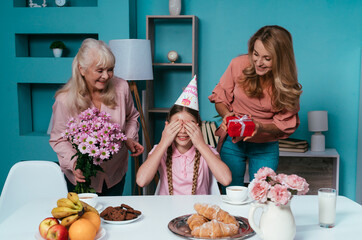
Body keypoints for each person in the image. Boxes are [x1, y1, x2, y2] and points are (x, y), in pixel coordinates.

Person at [208, 25, 302, 192]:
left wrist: (259, 127)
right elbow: (220, 98)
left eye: (267, 58)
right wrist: (227, 115)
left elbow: (285, 124)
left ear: (280, 59)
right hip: (233, 141)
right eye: (255, 54)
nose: (259, 62)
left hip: (265, 145)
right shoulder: (238, 64)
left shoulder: (287, 85)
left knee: (261, 194)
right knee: (230, 191)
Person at [49, 38, 144, 196]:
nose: (106, 76)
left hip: (115, 174)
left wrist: (128, 138)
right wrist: (74, 164)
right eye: (100, 71)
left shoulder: (122, 87)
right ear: (82, 69)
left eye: (110, 69)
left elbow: (132, 117)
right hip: (82, 178)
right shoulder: (64, 100)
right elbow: (58, 139)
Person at [136, 77, 232, 195]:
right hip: (167, 210)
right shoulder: (161, 150)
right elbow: (141, 181)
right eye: (176, 125)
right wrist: (163, 142)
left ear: (197, 126)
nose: (182, 131)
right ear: (167, 126)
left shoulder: (206, 151)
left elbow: (226, 179)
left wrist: (200, 144)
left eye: (188, 125)